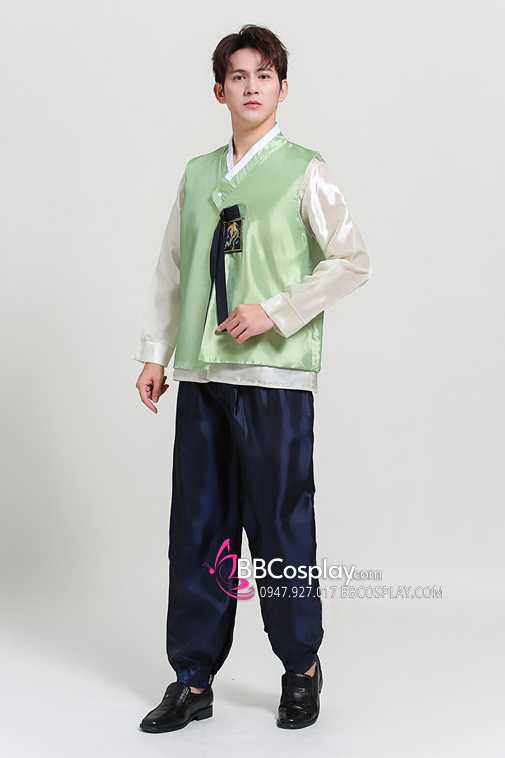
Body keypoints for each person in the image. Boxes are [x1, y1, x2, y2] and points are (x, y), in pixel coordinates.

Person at [131, 23, 371, 732]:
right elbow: (173, 267)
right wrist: (156, 352)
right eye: (238, 76)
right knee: (199, 527)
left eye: (264, 75)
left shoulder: (305, 170)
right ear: (220, 91)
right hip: (204, 376)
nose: (251, 86)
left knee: (279, 524)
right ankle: (192, 678)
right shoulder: (198, 174)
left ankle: (300, 668)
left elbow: (351, 259)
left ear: (282, 88)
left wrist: (277, 310)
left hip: (275, 378)